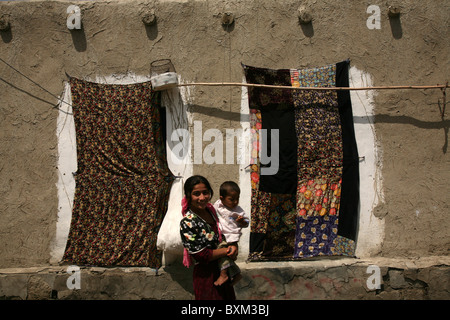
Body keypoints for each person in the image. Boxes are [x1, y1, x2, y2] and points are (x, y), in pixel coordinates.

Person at [179, 175, 237, 300]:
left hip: (224, 271)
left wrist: (234, 245)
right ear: (188, 196)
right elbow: (201, 255)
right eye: (196, 194)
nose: (202, 198)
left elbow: (228, 229)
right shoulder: (188, 222)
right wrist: (227, 250)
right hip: (206, 278)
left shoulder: (213, 211)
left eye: (205, 193)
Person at [213, 181, 249, 286]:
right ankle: (237, 273)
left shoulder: (238, 210)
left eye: (237, 199)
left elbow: (246, 223)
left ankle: (223, 274)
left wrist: (242, 221)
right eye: (231, 199)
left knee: (223, 254)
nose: (235, 202)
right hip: (222, 235)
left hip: (231, 237)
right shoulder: (217, 205)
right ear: (222, 198)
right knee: (227, 256)